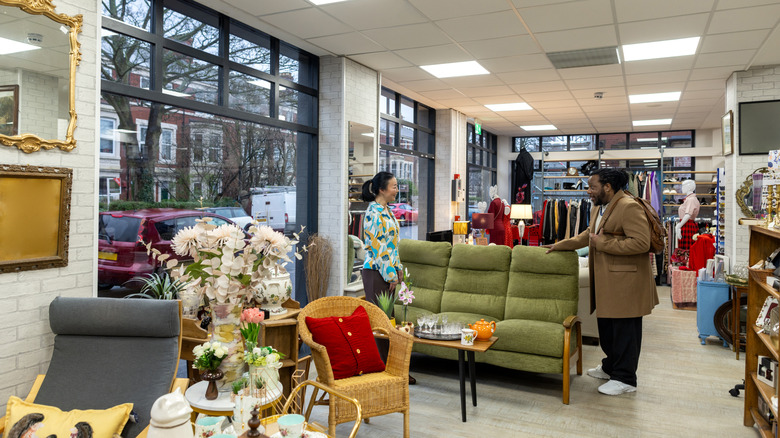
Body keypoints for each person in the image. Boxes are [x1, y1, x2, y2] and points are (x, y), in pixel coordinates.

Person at [546, 168, 658, 396]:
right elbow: (589, 234)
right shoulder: (601, 207)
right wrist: (560, 245)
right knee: (608, 329)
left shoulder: (629, 206)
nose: (588, 191)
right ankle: (610, 368)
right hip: (609, 282)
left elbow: (641, 243)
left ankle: (626, 379)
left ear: (608, 187)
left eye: (592, 186)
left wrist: (603, 243)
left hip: (627, 283)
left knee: (625, 332)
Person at [360, 171, 416, 385]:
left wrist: (399, 268)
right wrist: (391, 274)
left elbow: (393, 244)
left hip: (388, 272)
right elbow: (378, 247)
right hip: (376, 273)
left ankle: (393, 371)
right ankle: (383, 373)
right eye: (393, 186)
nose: (397, 190)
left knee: (389, 324)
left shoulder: (387, 211)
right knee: (381, 326)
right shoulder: (373, 212)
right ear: (382, 190)